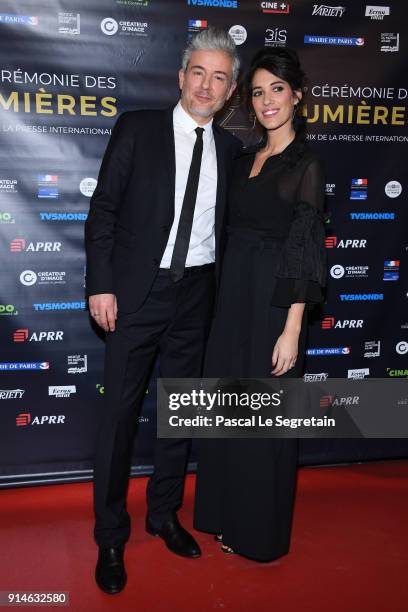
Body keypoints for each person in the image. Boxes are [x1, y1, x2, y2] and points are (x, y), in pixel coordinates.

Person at [85, 27, 241, 594]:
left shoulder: (231, 150)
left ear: (230, 91)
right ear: (181, 77)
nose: (206, 85)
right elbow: (103, 212)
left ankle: (163, 514)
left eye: (219, 77)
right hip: (134, 295)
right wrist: (101, 286)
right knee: (119, 420)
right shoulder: (138, 129)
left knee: (183, 413)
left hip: (197, 295)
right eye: (198, 72)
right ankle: (109, 534)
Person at [194, 48, 327, 562]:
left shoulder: (307, 165)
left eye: (277, 89)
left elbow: (306, 251)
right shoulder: (241, 158)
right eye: (257, 91)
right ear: (247, 102)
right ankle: (222, 513)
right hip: (229, 300)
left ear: (296, 95)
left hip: (274, 305)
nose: (267, 100)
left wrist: (293, 327)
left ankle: (257, 533)